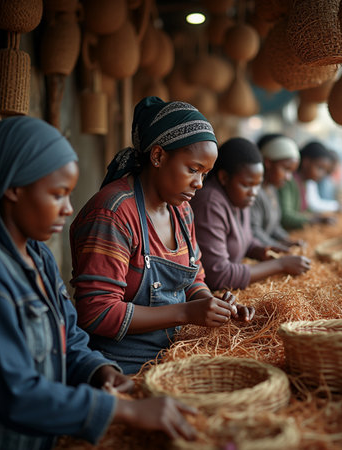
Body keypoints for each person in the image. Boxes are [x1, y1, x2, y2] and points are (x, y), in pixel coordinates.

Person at [0, 116, 199, 450]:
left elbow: (68, 338)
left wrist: (100, 371)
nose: (68, 209)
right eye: (57, 195)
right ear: (13, 188)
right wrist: (120, 410)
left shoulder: (36, 254)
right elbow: (17, 396)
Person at [70, 97, 254, 375]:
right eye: (192, 169)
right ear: (157, 156)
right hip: (121, 368)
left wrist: (211, 304)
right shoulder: (113, 214)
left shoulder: (182, 211)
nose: (199, 184)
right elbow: (97, 313)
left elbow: (195, 279)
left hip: (173, 355)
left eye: (205, 174)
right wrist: (186, 313)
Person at [191, 137, 311, 292]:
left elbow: (246, 240)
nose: (253, 193)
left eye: (257, 185)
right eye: (247, 185)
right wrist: (280, 264)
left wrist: (262, 250)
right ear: (224, 178)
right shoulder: (210, 203)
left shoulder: (238, 199)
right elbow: (218, 275)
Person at [250, 133, 304, 251]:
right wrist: (279, 247)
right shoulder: (253, 192)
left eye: (291, 172)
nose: (288, 177)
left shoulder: (272, 188)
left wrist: (288, 241)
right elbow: (254, 231)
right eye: (285, 169)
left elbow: (274, 226)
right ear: (268, 163)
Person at [279, 140, 337, 230]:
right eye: (320, 168)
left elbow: (305, 209)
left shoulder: (304, 182)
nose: (322, 174)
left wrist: (319, 217)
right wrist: (316, 220)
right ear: (306, 163)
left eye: (325, 171)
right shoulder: (288, 181)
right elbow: (286, 217)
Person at [306, 148, 342, 214]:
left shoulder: (328, 180)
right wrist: (336, 206)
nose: (335, 168)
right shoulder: (313, 179)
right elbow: (313, 205)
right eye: (320, 168)